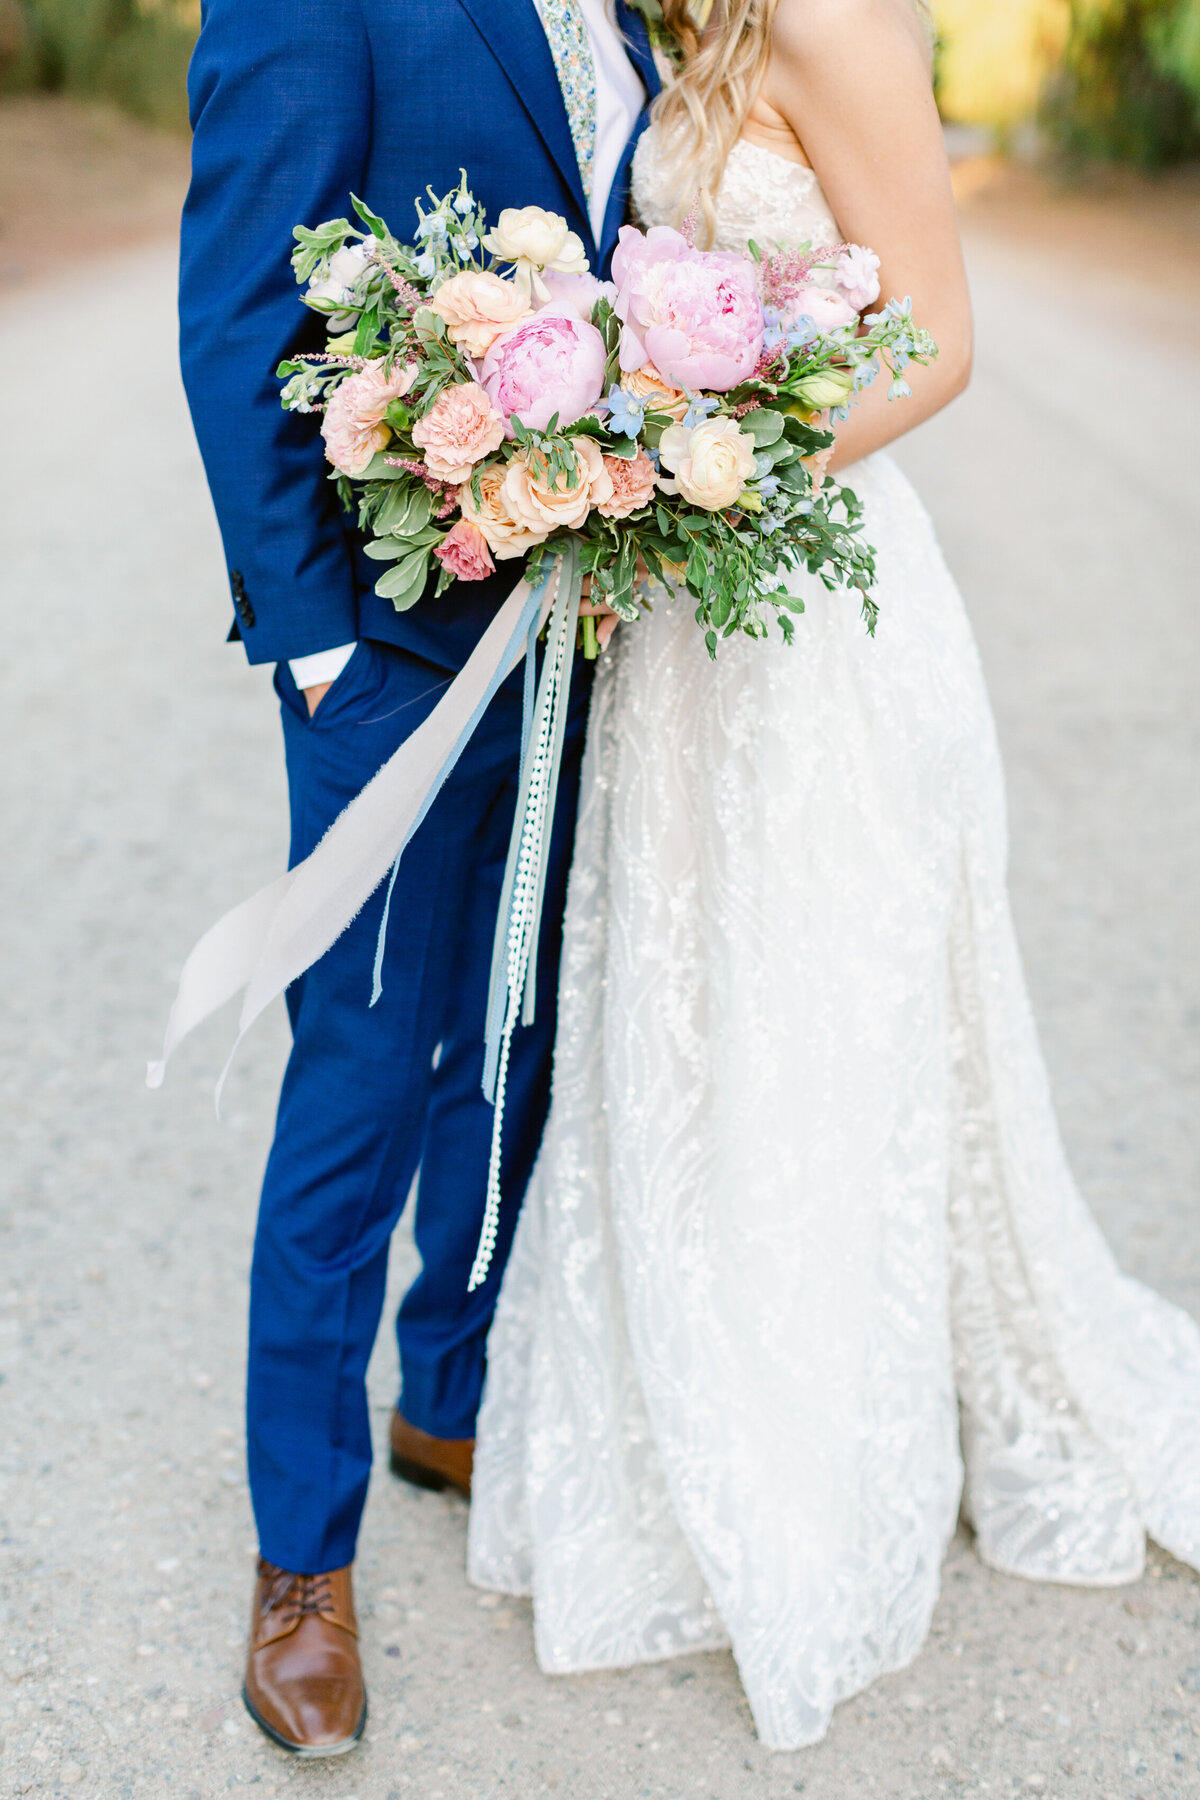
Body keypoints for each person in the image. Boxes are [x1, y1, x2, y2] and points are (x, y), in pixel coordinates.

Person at [468, 0, 1200, 1751]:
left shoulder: (843, 19)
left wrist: (705, 480)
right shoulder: (678, 37)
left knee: (820, 1013)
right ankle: (673, 1416)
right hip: (688, 630)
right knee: (688, 1003)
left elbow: (936, 338)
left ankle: (822, 1453)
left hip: (812, 609)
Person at [178, 0, 657, 1758]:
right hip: (388, 652)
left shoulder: (626, 14)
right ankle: (300, 1567)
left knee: (519, 1027)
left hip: (591, 622)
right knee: (366, 1080)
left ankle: (447, 1395)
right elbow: (238, 303)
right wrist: (316, 652)